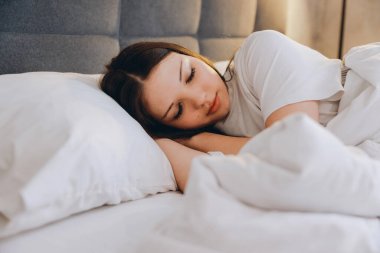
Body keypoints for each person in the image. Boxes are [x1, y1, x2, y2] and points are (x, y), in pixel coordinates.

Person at [99, 30, 351, 191]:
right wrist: (168, 142)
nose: (201, 99)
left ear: (193, 55)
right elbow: (208, 188)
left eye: (190, 74)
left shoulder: (262, 50)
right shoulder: (195, 141)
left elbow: (297, 153)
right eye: (177, 110)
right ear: (166, 126)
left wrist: (197, 139)